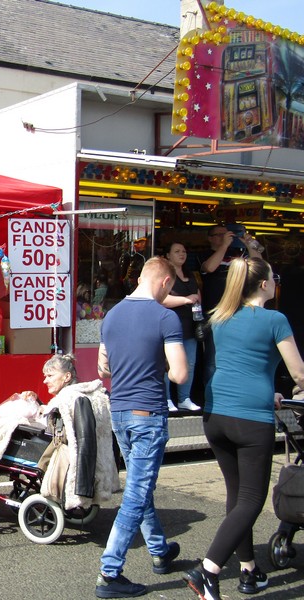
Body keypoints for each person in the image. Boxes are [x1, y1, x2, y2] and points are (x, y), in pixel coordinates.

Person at [182, 258, 304, 600]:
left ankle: (249, 570)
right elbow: (300, 374)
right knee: (252, 499)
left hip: (216, 414)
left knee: (237, 496)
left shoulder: (219, 318)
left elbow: (237, 365)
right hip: (251, 418)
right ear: (265, 284)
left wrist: (270, 390)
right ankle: (207, 570)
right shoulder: (275, 320)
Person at [95, 257, 189, 599]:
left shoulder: (112, 315)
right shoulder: (166, 317)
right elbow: (179, 375)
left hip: (119, 410)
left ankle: (160, 550)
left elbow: (103, 368)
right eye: (170, 289)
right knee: (136, 492)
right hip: (148, 412)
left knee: (139, 483)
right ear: (164, 282)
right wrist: (159, 361)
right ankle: (110, 571)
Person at [39, 354, 120, 512]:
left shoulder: (68, 398)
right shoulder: (90, 394)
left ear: (67, 376)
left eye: (50, 375)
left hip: (69, 458)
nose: (45, 380)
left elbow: (77, 438)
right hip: (100, 464)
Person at [199, 224, 263, 384]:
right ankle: (210, 396)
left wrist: (249, 244)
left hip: (238, 312)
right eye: (219, 234)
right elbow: (210, 267)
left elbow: (260, 268)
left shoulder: (237, 254)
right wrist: (224, 245)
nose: (224, 236)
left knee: (238, 355)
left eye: (226, 234)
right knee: (213, 360)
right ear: (210, 238)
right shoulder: (204, 255)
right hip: (216, 312)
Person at [161, 242, 201, 412]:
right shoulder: (165, 276)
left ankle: (184, 398)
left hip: (190, 325)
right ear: (168, 255)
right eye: (177, 251)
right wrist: (186, 299)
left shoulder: (190, 275)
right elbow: (161, 299)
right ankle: (167, 399)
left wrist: (196, 299)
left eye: (184, 251)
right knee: (168, 365)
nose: (182, 254)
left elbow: (198, 296)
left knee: (189, 364)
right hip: (171, 326)